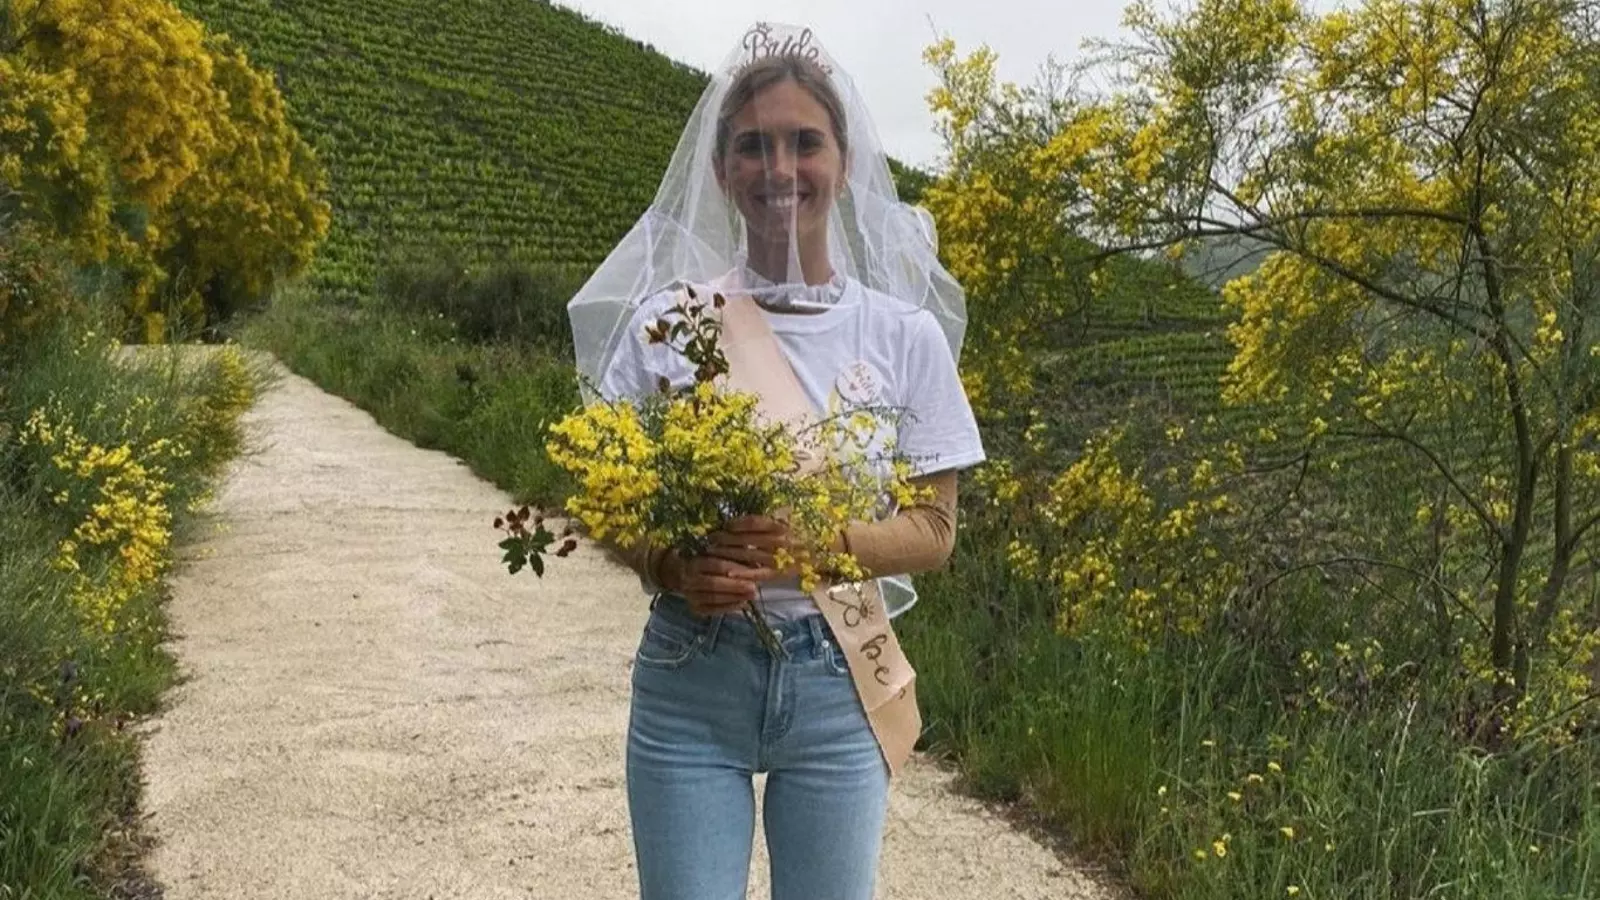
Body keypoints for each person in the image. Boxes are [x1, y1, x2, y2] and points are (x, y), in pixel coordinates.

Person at [565, 22, 985, 900]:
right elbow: (606, 502)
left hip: (840, 680)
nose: (779, 168)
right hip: (693, 675)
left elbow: (935, 529)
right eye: (754, 146)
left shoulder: (902, 336)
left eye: (805, 142)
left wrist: (814, 545)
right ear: (722, 170)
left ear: (845, 163)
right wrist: (670, 564)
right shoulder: (666, 325)